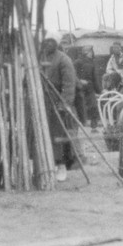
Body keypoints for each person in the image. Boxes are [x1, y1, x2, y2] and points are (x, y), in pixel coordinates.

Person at [40, 37, 78, 182]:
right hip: (42, 103)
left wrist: (64, 104)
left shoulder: (63, 59)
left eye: (51, 41)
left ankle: (61, 166)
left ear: (56, 44)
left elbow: (69, 85)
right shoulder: (40, 58)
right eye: (45, 41)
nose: (48, 44)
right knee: (44, 135)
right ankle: (47, 165)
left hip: (56, 103)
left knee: (58, 136)